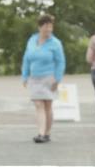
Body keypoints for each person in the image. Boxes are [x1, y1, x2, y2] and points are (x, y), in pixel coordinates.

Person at [20, 13, 65, 144]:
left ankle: (47, 133)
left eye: (51, 26)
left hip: (49, 77)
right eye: (46, 26)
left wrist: (58, 79)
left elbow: (61, 62)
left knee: (47, 106)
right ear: (40, 27)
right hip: (34, 77)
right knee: (38, 105)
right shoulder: (32, 40)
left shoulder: (56, 43)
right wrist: (24, 75)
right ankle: (40, 133)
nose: (49, 29)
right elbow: (26, 58)